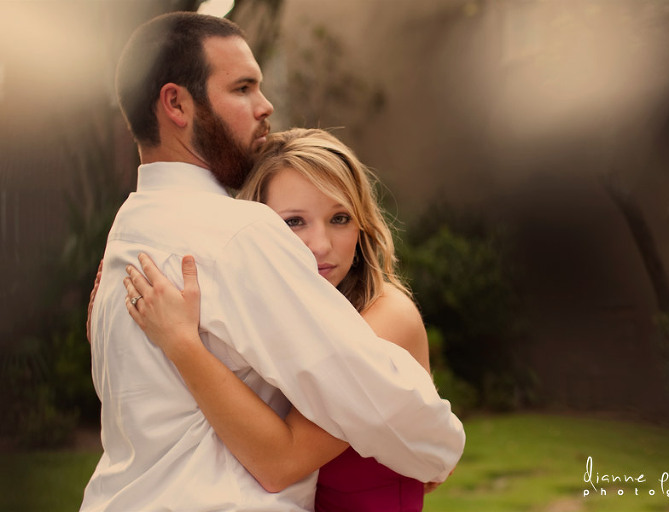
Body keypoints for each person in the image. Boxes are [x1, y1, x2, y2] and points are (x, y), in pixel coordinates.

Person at [81, 11, 464, 512]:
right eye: (242, 88)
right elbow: (389, 409)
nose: (266, 105)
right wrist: (436, 451)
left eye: (340, 218)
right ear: (176, 103)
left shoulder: (126, 241)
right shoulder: (239, 233)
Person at [120, 128, 436, 511]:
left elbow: (278, 465)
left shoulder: (387, 318)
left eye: (340, 218)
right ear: (257, 232)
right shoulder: (267, 316)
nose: (320, 246)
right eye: (294, 222)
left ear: (363, 225)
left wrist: (180, 342)